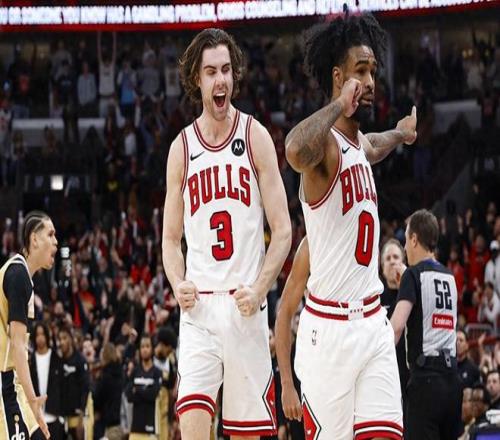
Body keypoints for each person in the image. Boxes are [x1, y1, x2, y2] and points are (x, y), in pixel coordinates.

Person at [284, 13, 416, 439]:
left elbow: (373, 145)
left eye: (373, 71)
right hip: (329, 332)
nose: (371, 81)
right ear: (338, 77)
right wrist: (339, 105)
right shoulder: (323, 147)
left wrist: (399, 134)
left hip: (373, 323)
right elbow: (293, 150)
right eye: (361, 71)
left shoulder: (357, 143)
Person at [162, 28, 291, 439]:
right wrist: (177, 281)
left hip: (244, 307)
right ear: (196, 79)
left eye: (226, 70)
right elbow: (170, 240)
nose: (221, 80)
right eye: (211, 72)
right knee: (192, 425)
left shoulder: (255, 136)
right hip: (199, 308)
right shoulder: (182, 148)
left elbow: (283, 230)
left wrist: (261, 288)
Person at [391, 209, 462, 440]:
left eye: (405, 240)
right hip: (453, 381)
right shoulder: (449, 276)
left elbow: (396, 327)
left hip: (426, 384)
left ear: (414, 239)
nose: (404, 248)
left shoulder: (413, 275)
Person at [0, 210, 57, 439]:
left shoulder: (23, 276)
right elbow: (17, 346)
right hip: (4, 381)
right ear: (34, 239)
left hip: (12, 382)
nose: (56, 241)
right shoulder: (17, 275)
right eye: (50, 234)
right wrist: (33, 400)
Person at [29, 322, 64, 439]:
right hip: (36, 417)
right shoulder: (30, 360)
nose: (40, 338)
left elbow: (62, 386)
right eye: (37, 335)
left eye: (42, 334)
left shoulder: (56, 358)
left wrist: (61, 414)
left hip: (54, 415)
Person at [126, 334, 162, 439]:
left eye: (147, 346)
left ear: (152, 349)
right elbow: (129, 396)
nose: (145, 349)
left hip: (151, 428)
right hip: (135, 429)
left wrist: (137, 389)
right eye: (142, 347)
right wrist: (146, 391)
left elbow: (153, 394)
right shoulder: (135, 371)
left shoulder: (157, 372)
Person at [58, 326, 90, 440]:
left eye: (64, 338)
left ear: (71, 339)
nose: (61, 342)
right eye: (60, 339)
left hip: (77, 417)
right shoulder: (59, 361)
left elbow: (85, 388)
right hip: (62, 417)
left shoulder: (80, 360)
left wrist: (81, 417)